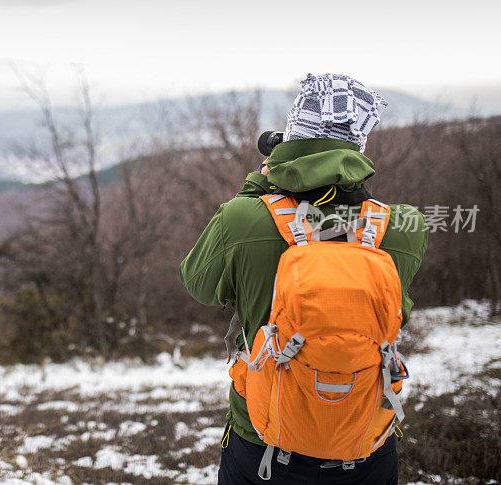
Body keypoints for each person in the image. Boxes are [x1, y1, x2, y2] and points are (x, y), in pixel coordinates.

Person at [179, 73, 428, 484]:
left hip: (263, 441)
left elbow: (198, 284)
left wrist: (259, 183)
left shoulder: (241, 218)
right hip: (365, 438)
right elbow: (397, 313)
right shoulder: (403, 225)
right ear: (359, 143)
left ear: (295, 131)